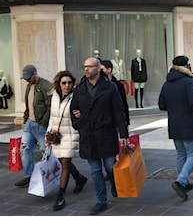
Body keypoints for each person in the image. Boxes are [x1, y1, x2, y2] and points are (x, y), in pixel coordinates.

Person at [70, 57, 128, 215]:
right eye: (84, 67)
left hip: (106, 133)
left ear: (98, 68)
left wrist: (123, 133)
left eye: (89, 66)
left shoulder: (109, 88)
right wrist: (78, 121)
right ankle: (101, 200)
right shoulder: (80, 88)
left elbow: (118, 111)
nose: (86, 69)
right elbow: (73, 109)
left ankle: (115, 183)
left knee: (110, 166)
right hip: (88, 135)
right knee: (95, 170)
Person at [158, 55, 193, 201]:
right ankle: (181, 181)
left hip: (174, 123)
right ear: (186, 66)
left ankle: (184, 181)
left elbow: (161, 105)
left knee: (181, 154)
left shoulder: (167, 83)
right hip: (188, 122)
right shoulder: (188, 82)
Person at [46, 70, 88, 211]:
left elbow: (84, 112)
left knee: (65, 162)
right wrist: (48, 134)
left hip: (71, 133)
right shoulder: (55, 96)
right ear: (59, 83)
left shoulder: (77, 96)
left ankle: (60, 196)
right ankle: (79, 178)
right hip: (57, 135)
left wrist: (80, 114)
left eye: (70, 82)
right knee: (60, 160)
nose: (67, 85)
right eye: (64, 83)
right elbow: (52, 117)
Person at [15, 64, 52, 187]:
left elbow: (50, 107)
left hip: (40, 125)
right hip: (29, 124)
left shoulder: (46, 85)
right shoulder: (28, 86)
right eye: (25, 78)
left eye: (29, 77)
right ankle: (28, 175)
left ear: (35, 74)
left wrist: (43, 121)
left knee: (46, 152)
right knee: (24, 149)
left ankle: (52, 175)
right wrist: (25, 120)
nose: (27, 80)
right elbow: (28, 105)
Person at [101, 60, 130, 125]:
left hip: (115, 121)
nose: (100, 72)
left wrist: (126, 122)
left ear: (109, 70)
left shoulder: (118, 86)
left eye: (102, 69)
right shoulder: (99, 86)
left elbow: (124, 104)